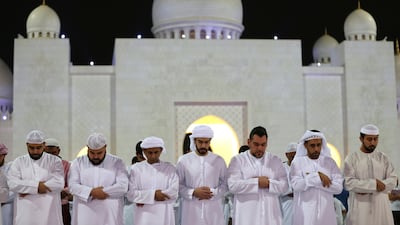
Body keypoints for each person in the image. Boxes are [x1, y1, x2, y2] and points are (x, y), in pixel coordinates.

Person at [227, 126, 288, 225]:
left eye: (263, 145)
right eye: (256, 144)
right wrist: (256, 182)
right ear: (249, 142)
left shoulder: (275, 160)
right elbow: (232, 186)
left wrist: (268, 183)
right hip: (246, 217)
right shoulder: (238, 161)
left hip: (270, 217)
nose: (260, 148)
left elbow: (285, 186)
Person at [69, 132, 129, 225]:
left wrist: (104, 192)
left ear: (105, 147)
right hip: (84, 215)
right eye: (92, 153)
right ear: (87, 148)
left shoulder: (117, 162)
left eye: (99, 153)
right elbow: (72, 186)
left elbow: (123, 186)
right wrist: (91, 192)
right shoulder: (77, 163)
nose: (96, 156)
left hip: (110, 217)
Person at [7, 130, 64, 225]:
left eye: (38, 147)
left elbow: (58, 183)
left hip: (49, 213)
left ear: (44, 145)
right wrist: (37, 187)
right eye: (32, 148)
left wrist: (26, 188)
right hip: (26, 214)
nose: (35, 151)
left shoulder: (55, 161)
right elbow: (13, 184)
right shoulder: (18, 162)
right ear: (27, 145)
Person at [344, 124, 398, 225]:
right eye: (369, 139)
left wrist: (383, 185)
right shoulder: (351, 158)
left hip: (381, 207)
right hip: (360, 208)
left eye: (375, 139)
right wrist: (374, 184)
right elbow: (349, 183)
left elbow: (393, 179)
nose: (373, 142)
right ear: (361, 138)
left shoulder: (383, 158)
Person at [289, 129, 343, 225]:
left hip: (326, 214)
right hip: (305, 216)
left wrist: (310, 180)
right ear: (305, 145)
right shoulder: (297, 163)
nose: (316, 149)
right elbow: (296, 186)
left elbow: (338, 188)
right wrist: (319, 176)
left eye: (318, 145)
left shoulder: (330, 162)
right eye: (312, 146)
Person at [176, 125, 227, 225]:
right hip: (191, 212)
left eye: (206, 142)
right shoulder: (184, 160)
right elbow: (177, 185)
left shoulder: (218, 160)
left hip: (213, 211)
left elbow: (226, 184)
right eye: (200, 142)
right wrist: (193, 192)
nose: (203, 145)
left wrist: (213, 192)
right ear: (194, 141)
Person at [127, 136, 179, 225]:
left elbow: (174, 193)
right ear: (143, 151)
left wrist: (144, 197)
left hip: (165, 215)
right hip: (143, 217)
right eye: (149, 153)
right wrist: (154, 195)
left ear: (161, 150)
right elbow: (131, 194)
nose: (153, 155)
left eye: (156, 152)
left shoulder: (170, 168)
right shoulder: (135, 169)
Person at [44, 138, 72, 225]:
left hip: (62, 204)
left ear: (58, 151)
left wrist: (63, 191)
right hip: (44, 204)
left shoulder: (66, 165)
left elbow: (71, 184)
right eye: (48, 153)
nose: (51, 156)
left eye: (53, 153)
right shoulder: (38, 165)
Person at [280, 142, 297, 225]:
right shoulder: (281, 168)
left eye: (296, 155)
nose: (294, 158)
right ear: (287, 155)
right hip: (286, 204)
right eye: (292, 155)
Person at [0, 144, 14, 225]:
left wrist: (3, 198)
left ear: (4, 155)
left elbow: (14, 190)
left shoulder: (10, 168)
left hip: (6, 204)